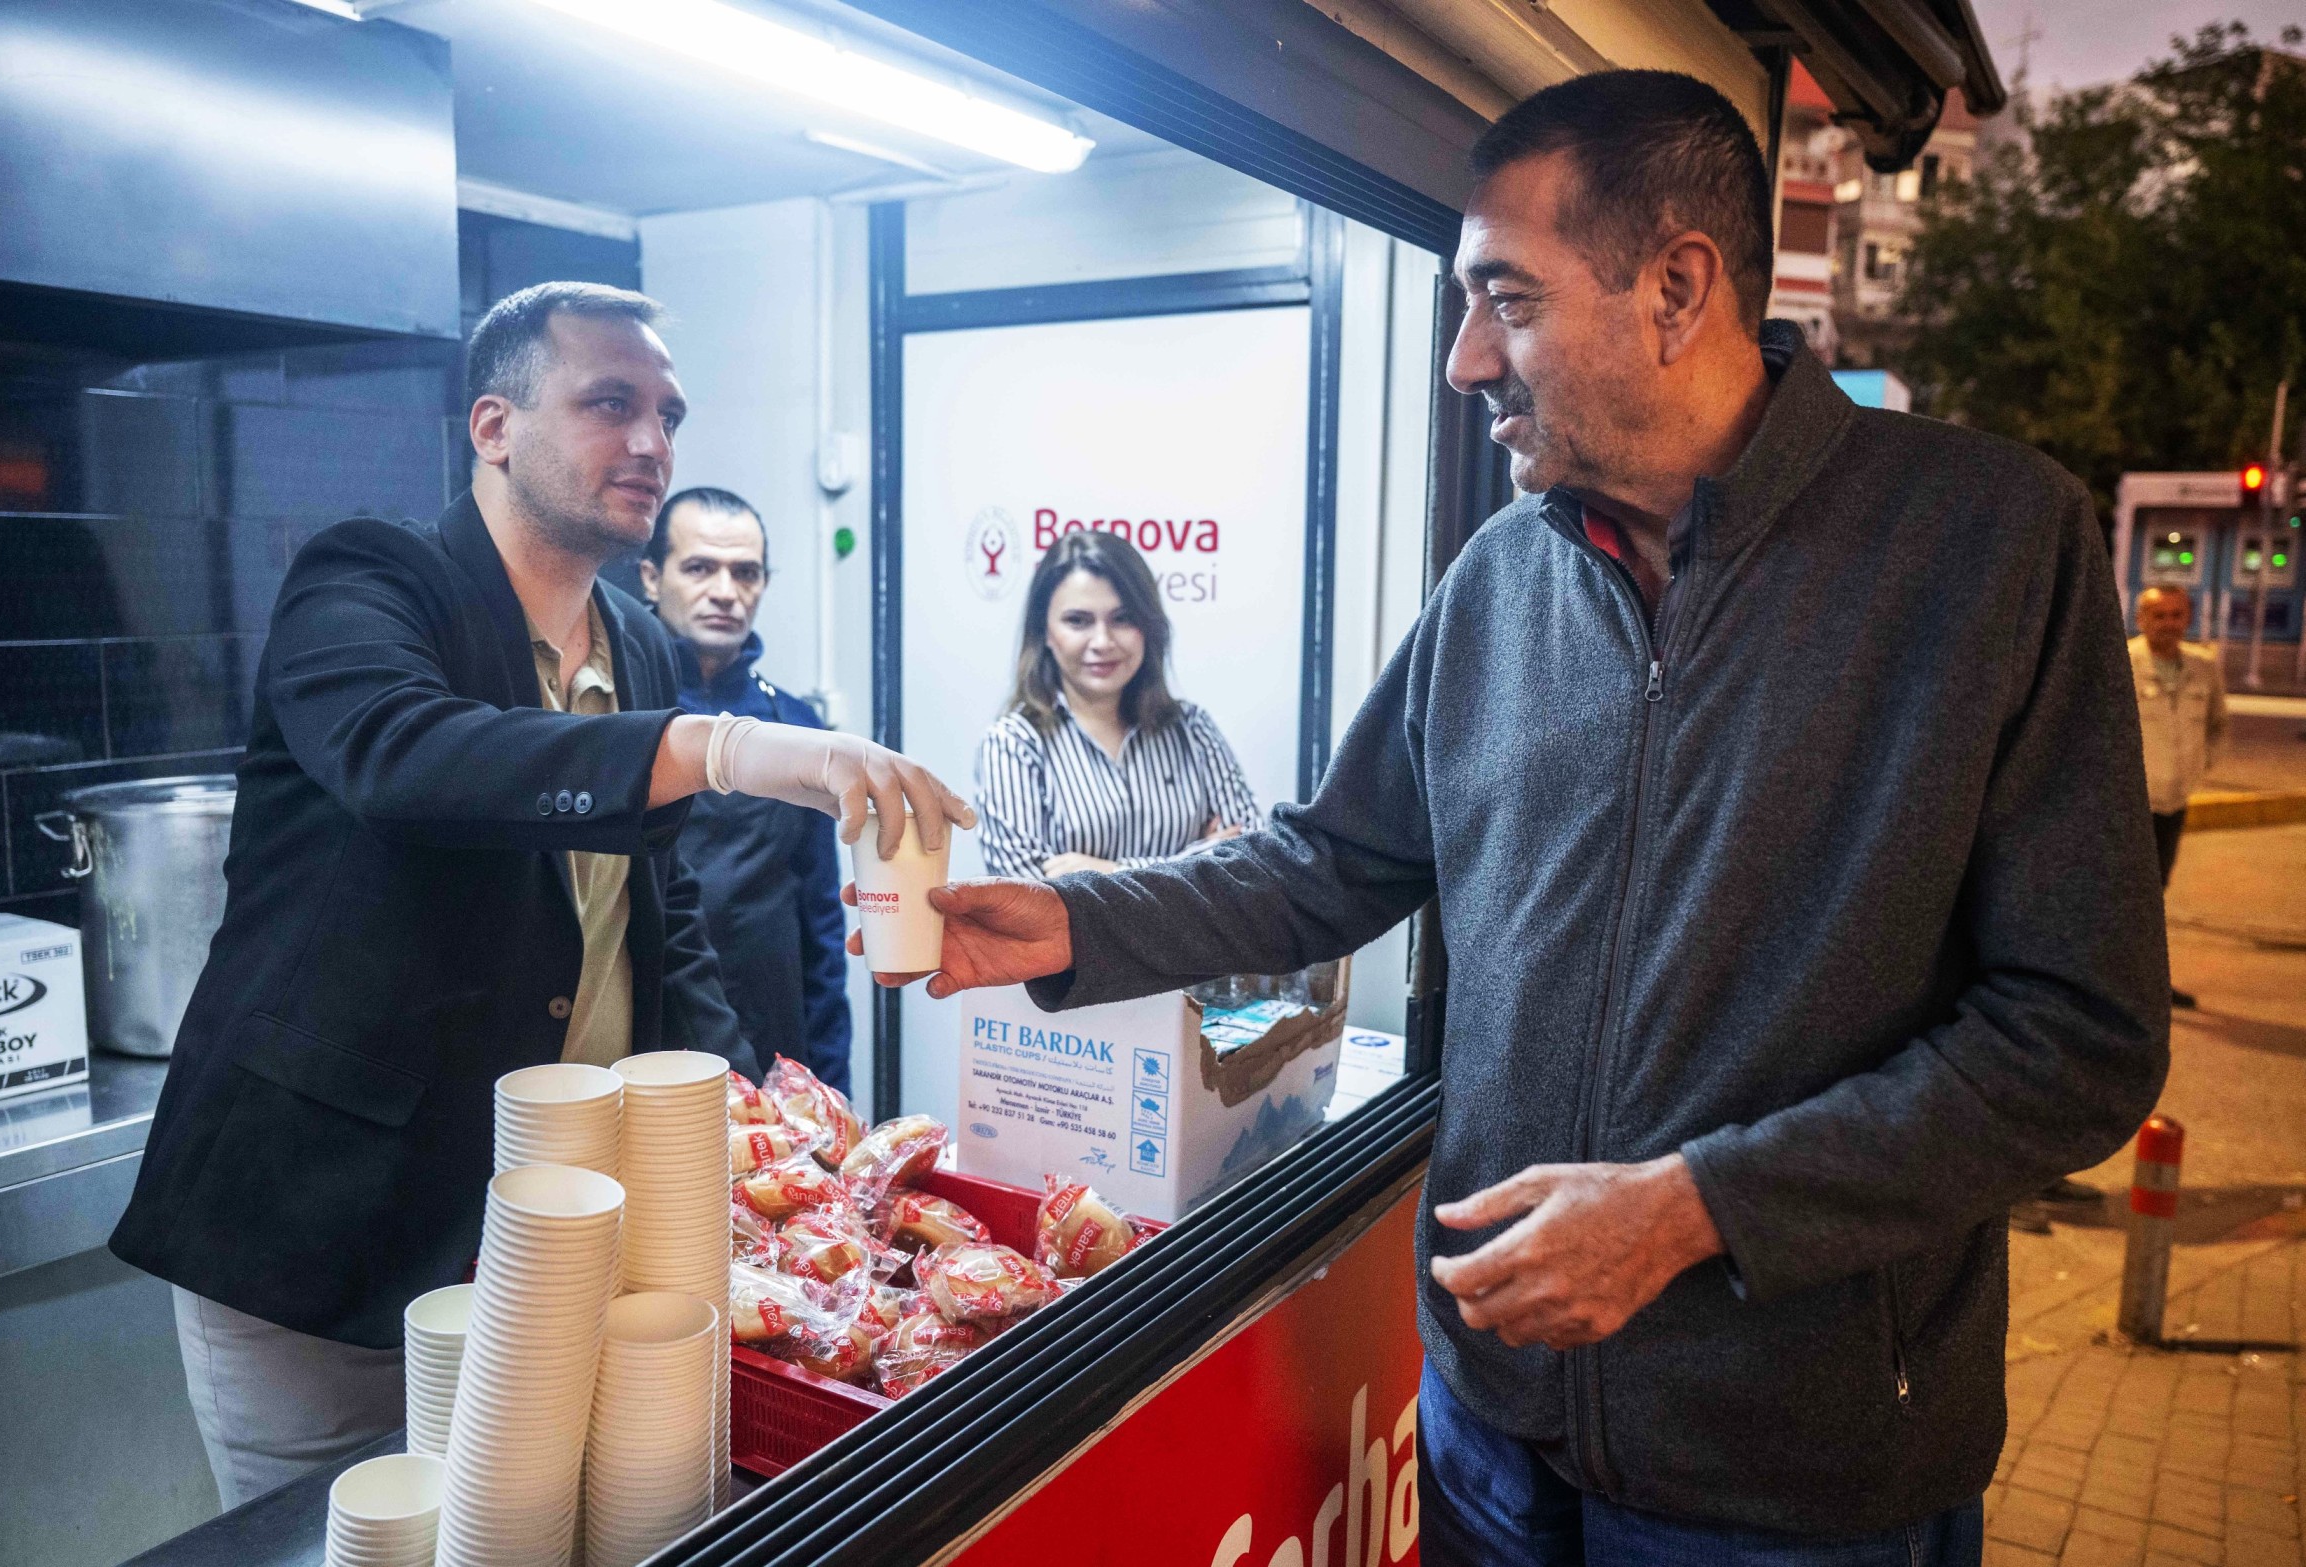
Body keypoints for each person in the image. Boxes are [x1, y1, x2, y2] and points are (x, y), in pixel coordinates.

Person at [865, 72, 2168, 1561]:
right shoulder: (1499, 571)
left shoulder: (1986, 548)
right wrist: (1082, 920)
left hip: (1790, 1473)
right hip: (1489, 1427)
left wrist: (1698, 1207)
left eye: (1506, 299)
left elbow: (2076, 1039)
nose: (1462, 357)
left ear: (1677, 287)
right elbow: (1331, 861)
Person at [109, 281, 969, 1510]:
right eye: (609, 402)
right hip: (327, 1231)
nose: (651, 443)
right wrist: (726, 748)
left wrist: (770, 1130)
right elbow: (409, 756)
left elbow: (660, 938)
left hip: (551, 1249)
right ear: (493, 425)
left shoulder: (642, 644)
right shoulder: (369, 580)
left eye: (667, 412)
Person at [637, 486, 852, 1090]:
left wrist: (832, 1085)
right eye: (701, 568)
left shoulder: (796, 727)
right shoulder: (618, 712)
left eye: (746, 572)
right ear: (652, 578)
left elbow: (822, 925)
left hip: (774, 1033)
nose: (726, 592)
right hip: (650, 1029)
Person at [975, 528, 1260, 881]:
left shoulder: (1193, 728)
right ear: (1044, 632)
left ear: (1148, 625)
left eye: (1122, 619)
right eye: (1077, 621)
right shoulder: (1014, 743)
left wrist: (1108, 871)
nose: (1102, 641)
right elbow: (1028, 902)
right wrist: (1196, 862)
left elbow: (1251, 862)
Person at [2130, 583, 2229, 1008]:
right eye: (2159, 616)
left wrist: (2198, 769)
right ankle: (2121, 983)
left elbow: (2217, 725)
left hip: (2174, 802)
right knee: (2127, 894)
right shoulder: (2122, 662)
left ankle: (2146, 982)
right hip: (2129, 805)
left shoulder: (2204, 667)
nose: (2169, 624)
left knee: (2156, 891)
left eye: (2176, 615)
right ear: (2141, 619)